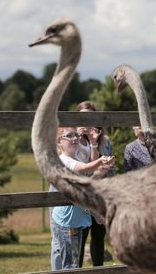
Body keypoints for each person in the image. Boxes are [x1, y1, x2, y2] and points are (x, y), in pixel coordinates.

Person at [50, 127, 114, 270]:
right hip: (66, 223)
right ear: (59, 141)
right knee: (70, 266)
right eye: (69, 136)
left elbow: (85, 187)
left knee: (73, 264)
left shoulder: (75, 159)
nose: (74, 138)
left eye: (75, 135)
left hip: (76, 220)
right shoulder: (63, 160)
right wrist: (100, 161)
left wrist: (101, 170)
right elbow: (83, 168)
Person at [76, 101, 115, 267]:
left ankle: (99, 270)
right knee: (80, 237)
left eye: (90, 117)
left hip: (99, 196)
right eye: (82, 117)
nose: (86, 121)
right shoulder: (73, 140)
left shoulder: (105, 141)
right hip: (81, 197)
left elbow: (109, 170)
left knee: (99, 237)